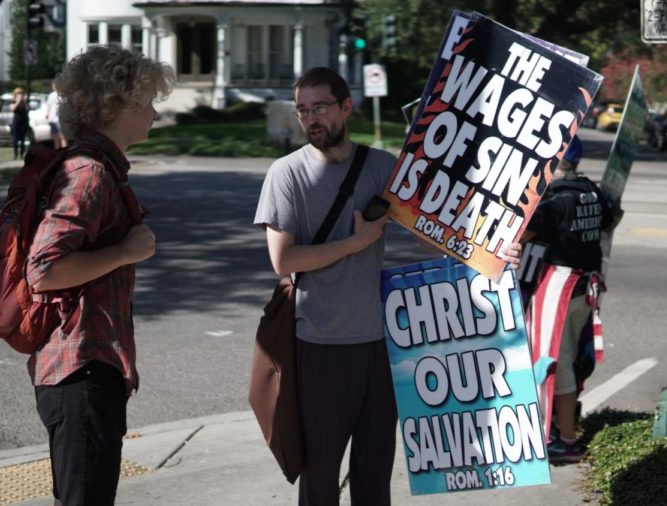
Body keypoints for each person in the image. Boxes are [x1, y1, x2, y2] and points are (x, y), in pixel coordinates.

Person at [254, 67, 522, 505]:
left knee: (375, 470)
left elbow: (431, 231)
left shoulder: (381, 167)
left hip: (382, 345)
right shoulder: (287, 175)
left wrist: (492, 251)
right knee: (320, 472)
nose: (310, 119)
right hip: (319, 343)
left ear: (346, 107)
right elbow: (283, 260)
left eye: (320, 107)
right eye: (302, 111)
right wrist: (355, 242)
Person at [25, 46, 173, 506]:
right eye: (147, 98)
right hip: (81, 373)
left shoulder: (97, 166)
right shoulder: (89, 173)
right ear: (117, 104)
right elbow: (43, 269)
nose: (153, 110)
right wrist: (125, 251)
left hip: (85, 369)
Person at [522, 136, 621, 463]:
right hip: (587, 288)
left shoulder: (554, 201)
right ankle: (560, 428)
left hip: (559, 287)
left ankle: (565, 439)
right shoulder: (591, 191)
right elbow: (611, 220)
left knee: (553, 363)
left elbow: (522, 235)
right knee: (573, 359)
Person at [10, 87, 30, 159]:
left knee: (22, 139)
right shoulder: (13, 101)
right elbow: (12, 109)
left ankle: (22, 154)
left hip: (23, 122)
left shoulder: (24, 102)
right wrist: (17, 102)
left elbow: (27, 108)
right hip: (16, 122)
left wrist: (23, 101)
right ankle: (15, 154)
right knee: (15, 139)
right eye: (18, 93)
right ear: (15, 94)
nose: (20, 95)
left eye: (21, 93)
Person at [46, 82, 67, 149]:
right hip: (53, 118)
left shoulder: (63, 95)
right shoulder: (51, 95)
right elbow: (49, 106)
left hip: (60, 117)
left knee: (62, 136)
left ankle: (63, 152)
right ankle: (57, 153)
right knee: (56, 137)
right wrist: (47, 114)